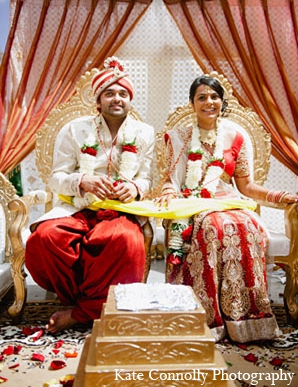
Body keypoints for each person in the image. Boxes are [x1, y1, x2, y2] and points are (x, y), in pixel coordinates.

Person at [156, 74, 298, 343]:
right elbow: (172, 181)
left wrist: (281, 196)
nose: (209, 102)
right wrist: (168, 191)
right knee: (211, 227)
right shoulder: (180, 137)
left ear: (222, 101)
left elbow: (246, 187)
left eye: (214, 96)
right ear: (192, 103)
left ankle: (245, 319)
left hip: (228, 200)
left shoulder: (235, 135)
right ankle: (206, 320)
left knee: (249, 225)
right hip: (193, 201)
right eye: (202, 97)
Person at [25, 57, 155, 333]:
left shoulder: (144, 133)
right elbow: (56, 179)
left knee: (124, 241)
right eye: (109, 93)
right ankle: (91, 303)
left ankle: (80, 312)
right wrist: (83, 181)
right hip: (75, 208)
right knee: (46, 239)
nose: (116, 99)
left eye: (122, 93)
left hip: (120, 210)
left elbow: (145, 177)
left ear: (130, 99)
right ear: (98, 100)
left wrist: (133, 188)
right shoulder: (73, 130)